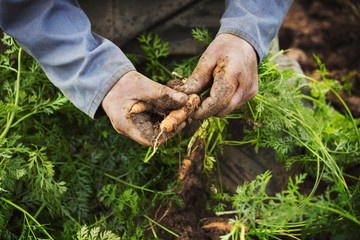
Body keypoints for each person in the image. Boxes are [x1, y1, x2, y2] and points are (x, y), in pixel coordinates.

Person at [0, 0, 293, 146]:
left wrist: (246, 31)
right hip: (54, 17)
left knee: (269, 171)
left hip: (205, 9)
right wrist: (93, 71)